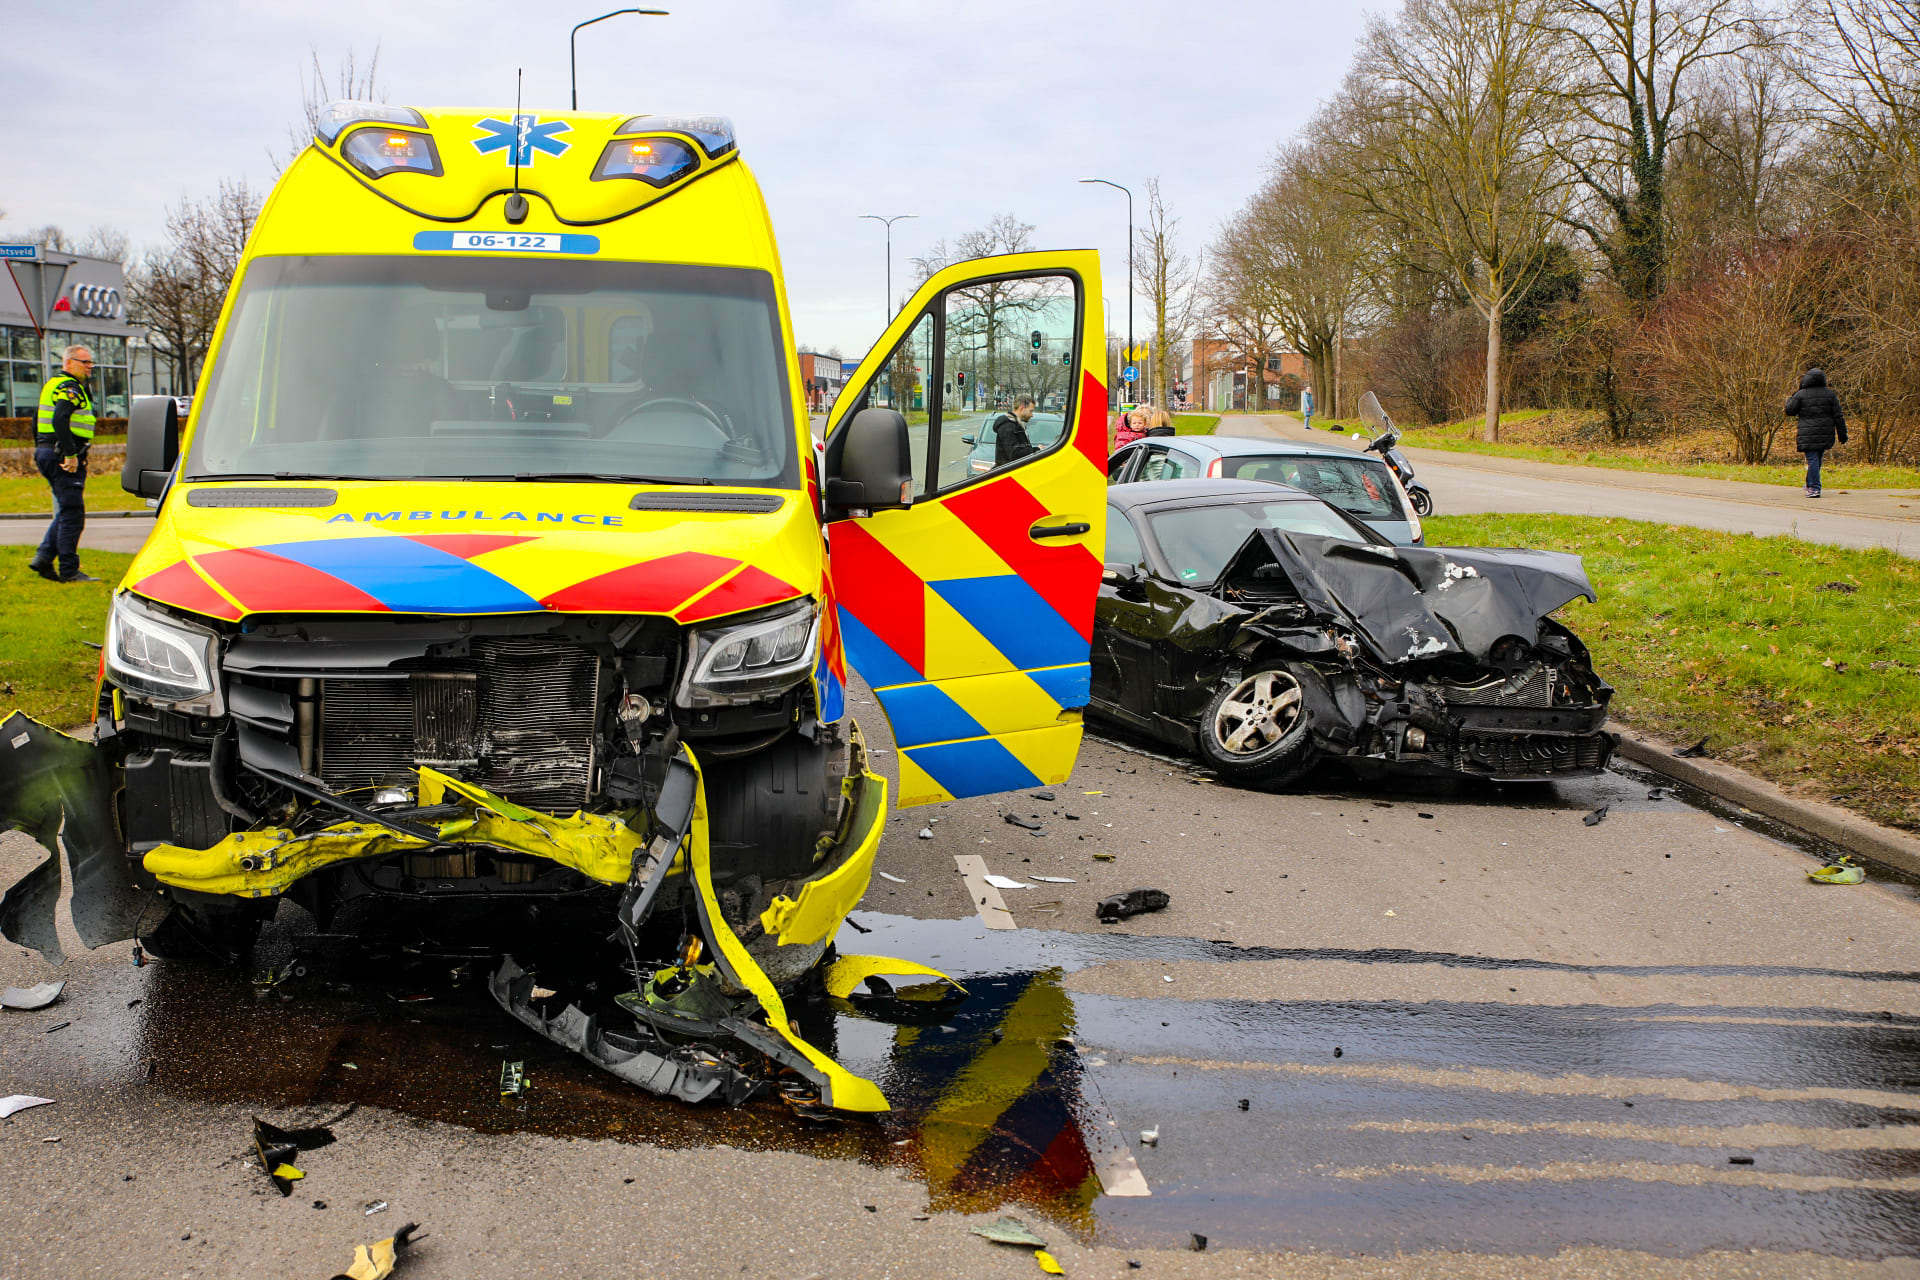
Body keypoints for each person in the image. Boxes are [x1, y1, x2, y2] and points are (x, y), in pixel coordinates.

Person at [30, 345, 100, 583]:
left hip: (47, 451)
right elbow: (60, 418)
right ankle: (69, 571)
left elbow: (36, 419)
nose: (89, 366)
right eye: (84, 362)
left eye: (91, 362)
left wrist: (42, 448)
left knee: (66, 508)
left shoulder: (52, 385)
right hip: (62, 456)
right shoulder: (70, 388)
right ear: (69, 363)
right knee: (73, 513)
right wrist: (69, 454)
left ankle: (43, 558)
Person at [1784, 367, 1847, 498]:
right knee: (1817, 459)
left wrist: (1791, 398)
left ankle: (1814, 487)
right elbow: (1838, 416)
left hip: (1807, 432)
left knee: (1812, 459)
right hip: (1826, 432)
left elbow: (1790, 411)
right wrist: (1842, 433)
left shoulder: (1801, 394)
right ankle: (1810, 484)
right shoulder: (1830, 395)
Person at [992, 394, 1039, 468]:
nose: (1032, 415)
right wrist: (1036, 450)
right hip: (1008, 474)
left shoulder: (1017, 425)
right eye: (1031, 411)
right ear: (1022, 407)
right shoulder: (1007, 427)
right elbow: (1014, 454)